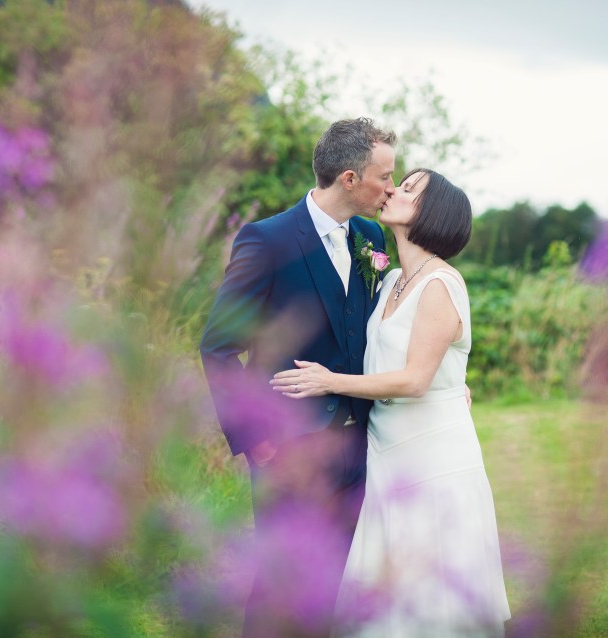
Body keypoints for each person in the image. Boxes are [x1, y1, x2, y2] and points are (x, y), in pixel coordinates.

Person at [272, 168, 511, 637]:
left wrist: (330, 382)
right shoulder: (391, 279)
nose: (392, 190)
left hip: (434, 457)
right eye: (398, 182)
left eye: (408, 189)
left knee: (434, 590)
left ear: (430, 212)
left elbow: (417, 380)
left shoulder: (441, 283)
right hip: (388, 451)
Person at [200, 117, 396, 637]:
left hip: (360, 447)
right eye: (385, 176)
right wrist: (256, 441)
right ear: (350, 179)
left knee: (335, 582)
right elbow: (218, 347)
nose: (392, 189)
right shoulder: (267, 240)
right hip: (287, 451)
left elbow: (376, 328)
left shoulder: (373, 237)